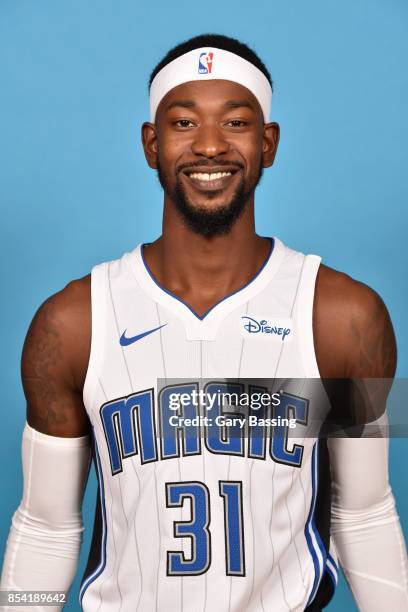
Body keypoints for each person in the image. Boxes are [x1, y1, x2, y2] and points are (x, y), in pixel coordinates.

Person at [1, 33, 407, 612]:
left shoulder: (343, 317)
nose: (210, 147)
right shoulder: (71, 323)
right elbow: (46, 526)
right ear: (151, 143)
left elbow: (364, 513)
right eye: (184, 123)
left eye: (236, 123)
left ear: (268, 143)